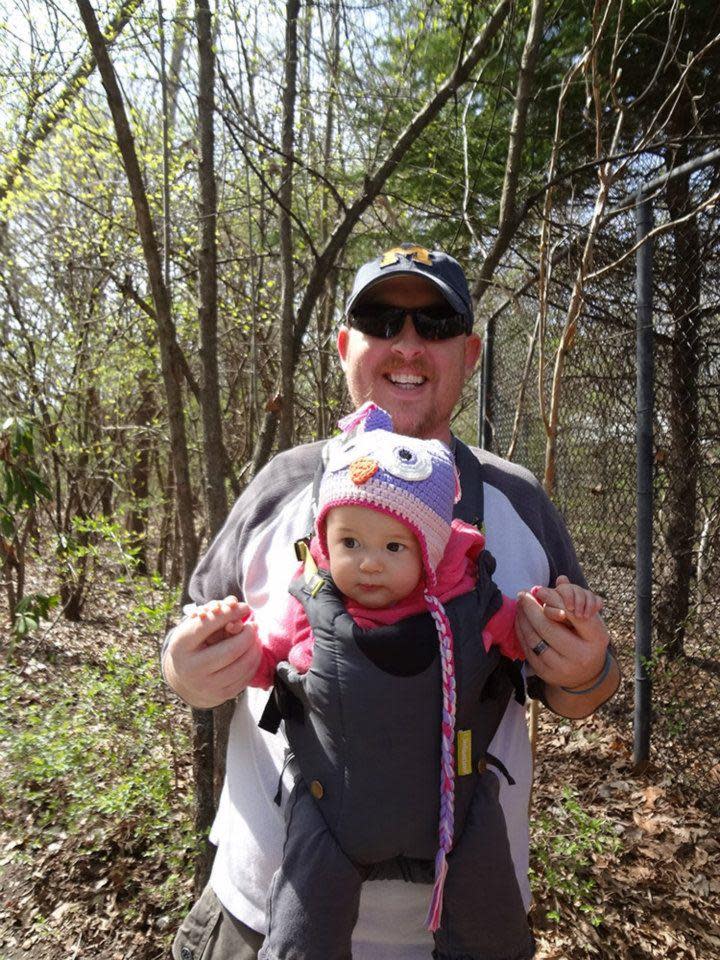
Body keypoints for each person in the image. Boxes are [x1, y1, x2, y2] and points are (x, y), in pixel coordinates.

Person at [163, 244, 621, 960]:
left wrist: (583, 670)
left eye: (436, 324)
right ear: (346, 347)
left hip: (462, 928)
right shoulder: (282, 485)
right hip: (263, 913)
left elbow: (584, 687)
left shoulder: (519, 501)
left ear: (469, 354)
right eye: (382, 319)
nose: (409, 343)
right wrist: (187, 669)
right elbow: (189, 632)